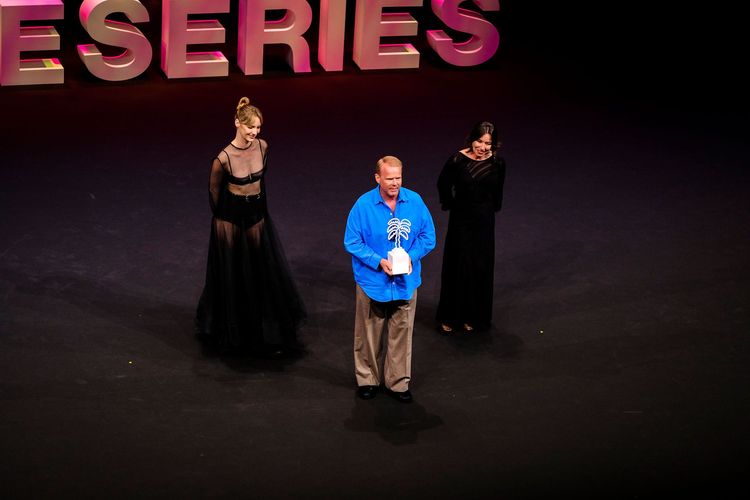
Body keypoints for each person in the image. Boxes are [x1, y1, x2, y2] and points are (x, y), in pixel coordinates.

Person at [195, 97, 306, 356]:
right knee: (232, 271)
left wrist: (258, 210)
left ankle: (260, 327)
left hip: (255, 214)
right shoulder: (223, 158)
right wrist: (224, 219)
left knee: (259, 269)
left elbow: (261, 183)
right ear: (237, 123)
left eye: (258, 127)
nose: (254, 132)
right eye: (250, 127)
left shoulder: (263, 147)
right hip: (229, 218)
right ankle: (232, 329)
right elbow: (214, 192)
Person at [344, 156, 436, 402]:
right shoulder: (363, 205)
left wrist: (411, 257)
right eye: (389, 178)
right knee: (368, 334)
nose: (395, 183)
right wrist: (378, 260)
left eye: (398, 178)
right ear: (377, 178)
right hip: (373, 282)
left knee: (402, 334)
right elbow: (352, 241)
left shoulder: (415, 201)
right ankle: (368, 379)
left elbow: (428, 236)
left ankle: (398, 382)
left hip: (405, 282)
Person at [436, 121, 506, 333]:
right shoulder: (457, 160)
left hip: (484, 222)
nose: (483, 147)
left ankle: (473, 317)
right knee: (458, 265)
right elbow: (443, 184)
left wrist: (489, 211)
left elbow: (498, 193)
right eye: (479, 141)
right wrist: (452, 205)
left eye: (488, 143)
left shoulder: (498, 163)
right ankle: (451, 316)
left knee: (480, 266)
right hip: (461, 220)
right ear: (472, 139)